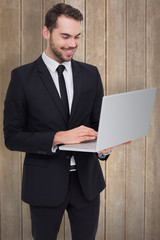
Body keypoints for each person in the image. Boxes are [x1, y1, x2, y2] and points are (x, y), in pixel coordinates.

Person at [3, 3, 130, 240]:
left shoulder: (91, 73)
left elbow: (98, 124)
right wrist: (58, 137)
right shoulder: (22, 78)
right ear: (46, 32)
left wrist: (105, 145)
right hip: (43, 184)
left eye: (77, 36)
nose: (72, 44)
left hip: (87, 184)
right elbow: (11, 136)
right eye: (65, 36)